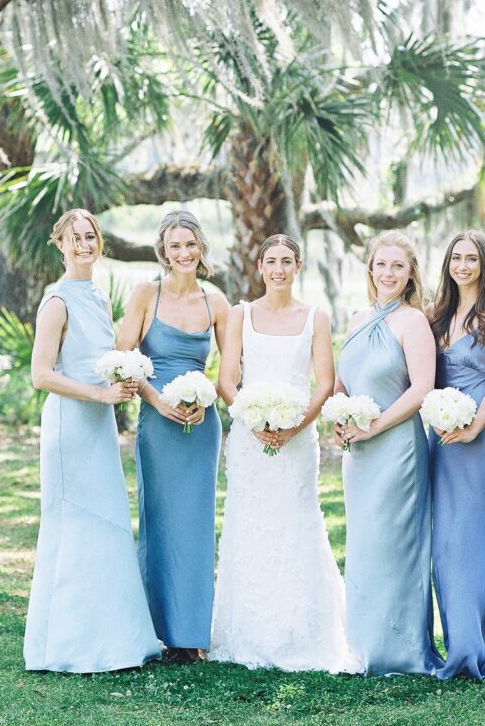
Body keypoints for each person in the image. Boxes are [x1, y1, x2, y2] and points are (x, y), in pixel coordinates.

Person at [209, 234, 358, 673]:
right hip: (248, 442)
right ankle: (247, 633)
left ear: (299, 267)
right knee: (248, 525)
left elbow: (325, 382)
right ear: (259, 267)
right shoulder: (241, 314)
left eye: (286, 261)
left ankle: (302, 635)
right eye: (271, 261)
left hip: (297, 441)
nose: (278, 269)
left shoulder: (316, 317)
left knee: (297, 524)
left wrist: (294, 425)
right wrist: (252, 419)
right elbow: (226, 379)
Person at [25, 209, 161, 673]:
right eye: (75, 238)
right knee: (74, 522)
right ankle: (68, 644)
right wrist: (99, 393)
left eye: (90, 237)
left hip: (99, 425)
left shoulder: (100, 299)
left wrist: (123, 380)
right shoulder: (57, 302)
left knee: (106, 519)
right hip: (70, 426)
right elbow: (42, 375)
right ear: (59, 244)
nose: (84, 245)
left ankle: (112, 637)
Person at [117, 210, 229, 661]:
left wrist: (208, 403)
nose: (183, 253)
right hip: (156, 424)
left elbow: (228, 371)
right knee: (159, 521)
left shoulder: (216, 303)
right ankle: (158, 630)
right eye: (175, 246)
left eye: (191, 245)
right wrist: (156, 400)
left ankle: (192, 635)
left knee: (198, 526)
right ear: (163, 251)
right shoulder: (147, 294)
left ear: (201, 248)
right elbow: (124, 357)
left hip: (202, 428)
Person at [336, 229, 441, 676]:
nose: (388, 273)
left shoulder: (413, 322)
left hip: (397, 448)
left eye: (398, 266)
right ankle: (362, 643)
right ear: (370, 269)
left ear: (410, 273)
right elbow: (345, 379)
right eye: (381, 264)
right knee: (363, 541)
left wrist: (374, 425)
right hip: (357, 452)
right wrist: (341, 416)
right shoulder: (358, 319)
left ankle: (400, 648)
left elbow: (421, 389)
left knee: (393, 542)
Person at [426, 230, 485, 680]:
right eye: (456, 258)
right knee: (443, 542)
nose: (463, 266)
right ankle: (458, 643)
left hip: (479, 440)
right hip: (440, 439)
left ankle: (482, 649)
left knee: (473, 537)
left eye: (471, 258)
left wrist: (473, 427)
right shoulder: (437, 315)